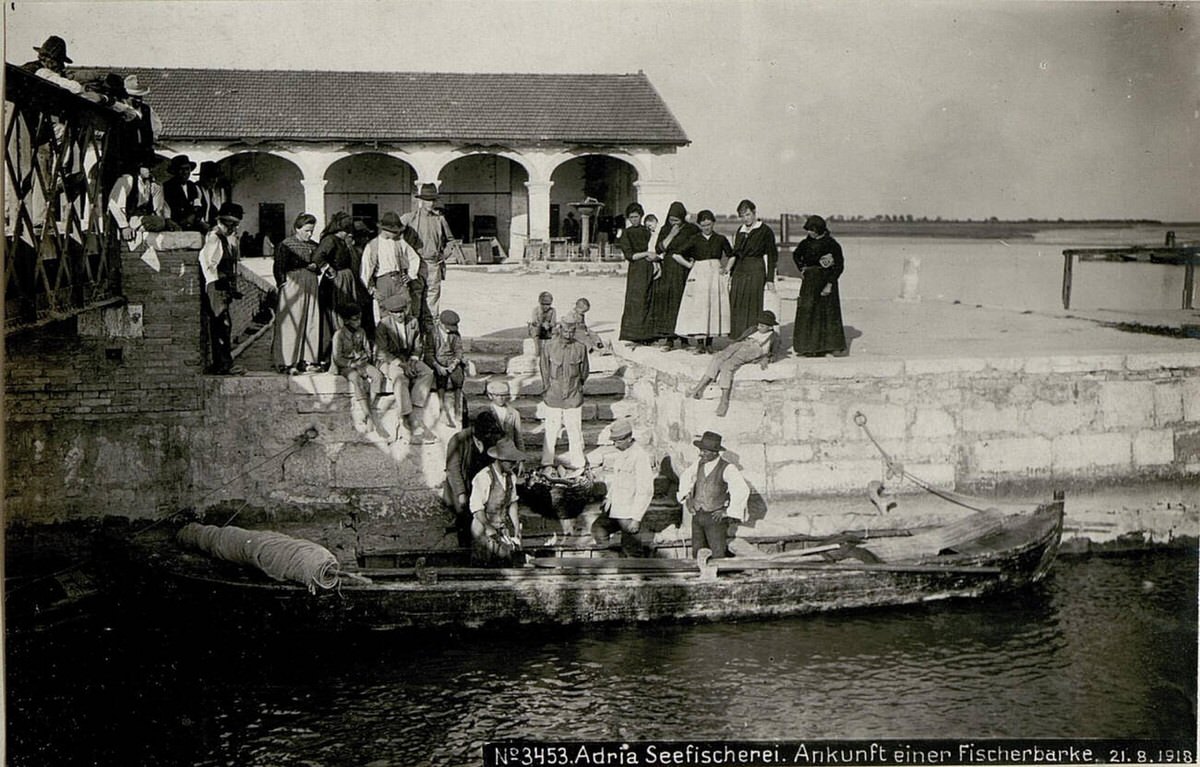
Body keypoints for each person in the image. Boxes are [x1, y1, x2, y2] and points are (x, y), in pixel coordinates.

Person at [688, 310, 781, 417]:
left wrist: (766, 358)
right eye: (759, 324)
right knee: (718, 357)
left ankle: (724, 400)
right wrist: (733, 345)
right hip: (742, 344)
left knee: (727, 365)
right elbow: (740, 339)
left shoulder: (774, 336)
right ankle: (698, 388)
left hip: (754, 349)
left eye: (762, 326)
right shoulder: (753, 329)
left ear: (770, 327)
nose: (759, 327)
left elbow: (774, 353)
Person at [374, 292, 437, 444]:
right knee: (400, 378)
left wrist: (414, 359)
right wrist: (402, 365)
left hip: (408, 358)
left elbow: (418, 345)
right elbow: (382, 351)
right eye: (396, 313)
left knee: (427, 372)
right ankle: (405, 417)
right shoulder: (383, 325)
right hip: (389, 360)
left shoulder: (413, 322)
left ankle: (415, 409)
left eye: (402, 311)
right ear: (390, 313)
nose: (400, 315)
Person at [676, 431, 750, 559]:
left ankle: (719, 571)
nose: (701, 453)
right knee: (698, 552)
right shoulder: (699, 463)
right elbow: (686, 477)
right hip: (697, 516)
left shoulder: (727, 468)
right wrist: (687, 497)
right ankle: (700, 571)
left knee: (717, 553)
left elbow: (741, 490)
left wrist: (727, 512)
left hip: (715, 519)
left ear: (715, 452)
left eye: (705, 451)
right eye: (700, 450)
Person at [589, 419, 655, 554]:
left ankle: (633, 567)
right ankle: (610, 561)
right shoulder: (622, 453)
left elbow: (645, 490)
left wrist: (636, 518)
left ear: (629, 438)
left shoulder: (639, 457)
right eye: (613, 441)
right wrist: (609, 498)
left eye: (618, 441)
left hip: (628, 513)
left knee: (632, 550)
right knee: (598, 529)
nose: (615, 444)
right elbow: (618, 480)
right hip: (616, 508)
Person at [443, 409, 505, 548]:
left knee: (481, 518)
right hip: (463, 486)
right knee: (464, 519)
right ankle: (465, 549)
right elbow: (453, 469)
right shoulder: (458, 440)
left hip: (480, 486)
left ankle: (484, 547)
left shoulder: (490, 439)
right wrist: (461, 493)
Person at [271, 213, 323, 375]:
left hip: (311, 284)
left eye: (312, 230)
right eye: (306, 230)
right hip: (293, 284)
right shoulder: (286, 245)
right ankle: (287, 362)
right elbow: (279, 266)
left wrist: (316, 267)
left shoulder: (314, 245)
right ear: (297, 228)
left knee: (311, 320)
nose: (310, 234)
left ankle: (307, 360)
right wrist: (283, 284)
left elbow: (320, 264)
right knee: (290, 322)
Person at [673, 209, 732, 352]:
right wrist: (689, 265)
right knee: (699, 307)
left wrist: (726, 268)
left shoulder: (720, 239)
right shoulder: (695, 239)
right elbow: (676, 254)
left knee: (713, 306)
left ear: (713, 223)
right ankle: (700, 343)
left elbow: (732, 255)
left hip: (715, 275)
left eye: (709, 224)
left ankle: (709, 343)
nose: (707, 228)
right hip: (699, 274)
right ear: (699, 225)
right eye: (703, 225)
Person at [198, 202, 246, 376]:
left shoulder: (224, 239)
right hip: (216, 286)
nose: (232, 229)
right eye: (230, 225)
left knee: (224, 325)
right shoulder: (214, 237)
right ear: (222, 222)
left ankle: (224, 362)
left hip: (221, 286)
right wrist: (222, 281)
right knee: (221, 325)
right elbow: (209, 264)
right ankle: (223, 365)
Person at [401, 183, 458, 325]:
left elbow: (451, 241)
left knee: (432, 301)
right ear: (421, 200)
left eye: (433, 200)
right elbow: (394, 235)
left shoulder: (439, 219)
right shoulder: (409, 218)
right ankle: (415, 333)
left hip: (433, 264)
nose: (431, 203)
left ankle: (431, 334)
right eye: (427, 200)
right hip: (415, 265)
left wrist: (444, 255)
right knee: (415, 299)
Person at [792, 215, 847, 357]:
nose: (809, 232)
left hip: (826, 281)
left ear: (819, 229)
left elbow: (839, 266)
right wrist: (802, 268)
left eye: (812, 230)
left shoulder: (832, 244)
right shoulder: (805, 243)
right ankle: (809, 348)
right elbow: (796, 255)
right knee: (808, 312)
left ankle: (832, 346)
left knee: (828, 314)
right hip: (810, 282)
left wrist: (830, 284)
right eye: (808, 230)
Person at [539, 316, 589, 470]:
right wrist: (547, 388)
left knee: (575, 430)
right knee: (551, 430)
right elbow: (544, 369)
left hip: (573, 396)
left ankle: (578, 462)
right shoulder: (549, 346)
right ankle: (547, 462)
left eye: (572, 331)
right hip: (554, 395)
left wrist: (577, 387)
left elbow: (584, 371)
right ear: (560, 329)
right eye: (566, 331)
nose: (568, 334)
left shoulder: (580, 348)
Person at [469, 438, 527, 565]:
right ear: (500, 460)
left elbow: (512, 503)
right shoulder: (484, 477)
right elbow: (477, 509)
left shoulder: (511, 477)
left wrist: (516, 527)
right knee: (485, 563)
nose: (513, 465)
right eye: (510, 462)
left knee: (506, 560)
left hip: (500, 527)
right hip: (483, 528)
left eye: (515, 462)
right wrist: (488, 527)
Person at [316, 211, 372, 341]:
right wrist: (329, 268)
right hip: (337, 282)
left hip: (346, 280)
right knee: (338, 310)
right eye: (347, 231)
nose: (349, 234)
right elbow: (318, 257)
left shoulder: (342, 241)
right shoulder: (330, 240)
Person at [650, 201, 699, 349]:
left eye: (677, 220)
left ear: (683, 218)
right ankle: (669, 338)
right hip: (669, 269)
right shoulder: (666, 229)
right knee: (669, 302)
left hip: (685, 268)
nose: (674, 223)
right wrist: (672, 234)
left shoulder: (691, 229)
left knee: (684, 301)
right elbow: (659, 249)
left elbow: (698, 246)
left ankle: (684, 339)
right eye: (671, 220)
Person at [728, 199, 779, 338]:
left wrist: (770, 279)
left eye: (748, 214)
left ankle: (752, 336)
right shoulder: (740, 230)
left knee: (752, 303)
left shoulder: (765, 230)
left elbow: (772, 256)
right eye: (742, 216)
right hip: (739, 271)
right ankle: (738, 336)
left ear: (754, 212)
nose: (746, 219)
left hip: (756, 270)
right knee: (737, 302)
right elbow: (736, 253)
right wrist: (730, 273)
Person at [331, 305, 386, 434]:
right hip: (346, 366)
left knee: (378, 376)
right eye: (355, 319)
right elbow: (337, 358)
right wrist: (352, 364)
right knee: (356, 379)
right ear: (346, 321)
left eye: (359, 319)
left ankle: (369, 408)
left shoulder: (361, 332)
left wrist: (364, 359)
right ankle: (368, 414)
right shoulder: (339, 335)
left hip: (361, 363)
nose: (358, 322)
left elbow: (367, 350)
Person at [360, 211, 421, 325]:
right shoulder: (373, 245)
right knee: (386, 311)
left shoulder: (400, 242)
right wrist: (371, 290)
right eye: (394, 231)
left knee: (406, 306)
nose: (397, 233)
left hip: (399, 279)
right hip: (383, 281)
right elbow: (365, 269)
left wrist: (410, 275)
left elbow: (414, 258)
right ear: (385, 229)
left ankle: (406, 334)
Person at [615, 203, 658, 344]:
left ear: (641, 216)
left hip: (650, 267)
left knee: (649, 299)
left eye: (636, 216)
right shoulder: (626, 233)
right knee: (636, 300)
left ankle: (648, 335)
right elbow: (630, 255)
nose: (634, 219)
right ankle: (634, 335)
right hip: (636, 270)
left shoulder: (647, 231)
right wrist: (646, 253)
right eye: (631, 217)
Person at [107, 156, 169, 248]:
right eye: (147, 167)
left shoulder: (154, 184)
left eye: (153, 167)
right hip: (127, 219)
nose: (151, 170)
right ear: (139, 168)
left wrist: (165, 221)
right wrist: (124, 226)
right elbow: (114, 203)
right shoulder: (128, 180)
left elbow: (158, 209)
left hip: (143, 220)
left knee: (159, 222)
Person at [427, 309, 468, 428]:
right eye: (447, 327)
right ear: (441, 323)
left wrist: (454, 363)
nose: (450, 330)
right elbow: (429, 353)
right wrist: (437, 366)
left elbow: (459, 350)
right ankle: (442, 409)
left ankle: (457, 406)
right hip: (438, 360)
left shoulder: (455, 334)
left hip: (451, 360)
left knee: (458, 375)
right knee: (441, 379)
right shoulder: (432, 333)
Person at [164, 155, 206, 233]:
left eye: (187, 169)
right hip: (175, 227)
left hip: (191, 225)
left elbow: (198, 205)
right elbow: (165, 210)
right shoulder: (167, 187)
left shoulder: (193, 186)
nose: (185, 172)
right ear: (175, 171)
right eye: (181, 169)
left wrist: (193, 216)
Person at [485, 379, 524, 451]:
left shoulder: (514, 413)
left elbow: (518, 438)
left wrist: (521, 455)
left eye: (503, 395)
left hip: (508, 451)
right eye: (497, 395)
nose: (500, 398)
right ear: (490, 396)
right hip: (492, 451)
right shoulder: (486, 412)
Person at [197, 161, 228, 229]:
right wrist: (202, 223)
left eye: (216, 178)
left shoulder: (209, 191)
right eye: (212, 177)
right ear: (204, 177)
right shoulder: (196, 189)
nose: (215, 181)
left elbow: (212, 210)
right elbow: (196, 210)